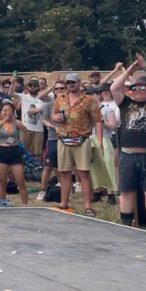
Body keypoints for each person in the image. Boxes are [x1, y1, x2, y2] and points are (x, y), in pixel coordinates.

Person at [52, 72, 103, 216]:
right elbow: (53, 114)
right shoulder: (60, 98)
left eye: (73, 82)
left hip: (82, 139)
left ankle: (88, 205)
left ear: (79, 82)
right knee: (64, 173)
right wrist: (55, 117)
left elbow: (98, 120)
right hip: (63, 139)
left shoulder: (88, 100)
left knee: (83, 173)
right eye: (68, 83)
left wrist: (99, 141)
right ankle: (63, 203)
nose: (70, 85)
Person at [110, 55, 146, 229]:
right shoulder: (125, 102)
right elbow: (114, 88)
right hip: (127, 155)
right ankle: (125, 225)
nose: (138, 90)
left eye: (142, 87)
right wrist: (128, 71)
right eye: (135, 88)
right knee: (126, 191)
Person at [0, 101, 29, 206]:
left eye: (9, 110)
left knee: (20, 180)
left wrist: (17, 122)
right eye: (5, 110)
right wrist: (4, 120)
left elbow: (25, 130)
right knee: (2, 181)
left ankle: (25, 204)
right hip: (1, 151)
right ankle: (3, 203)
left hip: (14, 150)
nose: (7, 112)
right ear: (1, 112)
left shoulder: (15, 122)